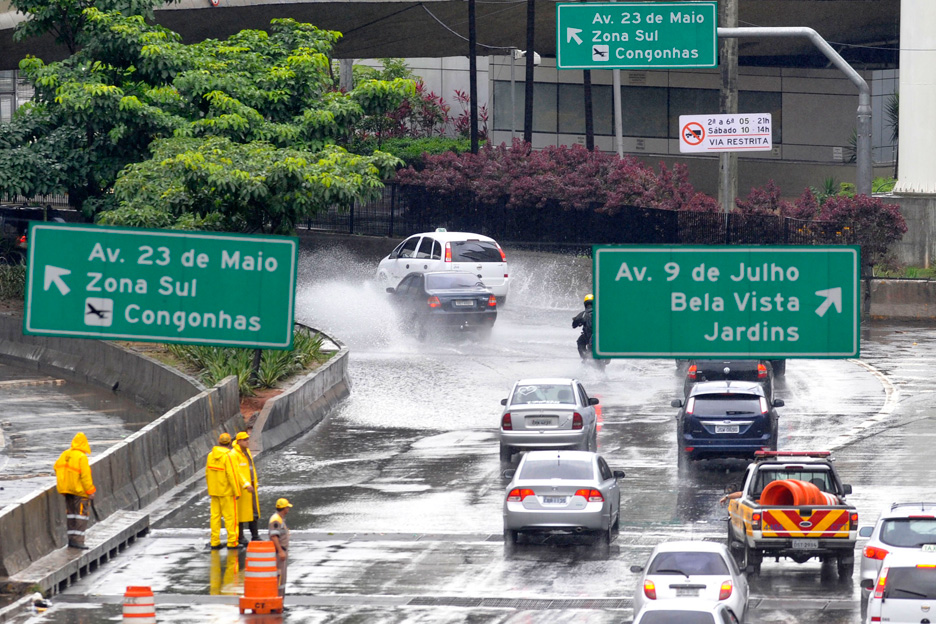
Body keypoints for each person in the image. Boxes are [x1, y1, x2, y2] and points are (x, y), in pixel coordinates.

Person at [54, 432, 96, 549]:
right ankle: (79, 541)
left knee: (71, 515)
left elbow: (56, 467)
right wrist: (90, 491)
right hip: (79, 492)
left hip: (67, 491)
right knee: (81, 516)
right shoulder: (81, 457)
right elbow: (85, 477)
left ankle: (71, 540)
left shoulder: (65, 454)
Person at [206, 432, 242, 549]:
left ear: (219, 442)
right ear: (230, 442)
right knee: (230, 517)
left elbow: (207, 474)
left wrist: (210, 489)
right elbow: (232, 475)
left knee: (215, 517)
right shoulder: (229, 456)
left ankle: (214, 541)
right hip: (227, 492)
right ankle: (232, 541)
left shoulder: (211, 455)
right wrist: (237, 491)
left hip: (214, 491)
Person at [232, 431, 260, 544]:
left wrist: (254, 483)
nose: (247, 441)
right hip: (242, 489)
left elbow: (251, 469)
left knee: (254, 512)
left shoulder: (247, 452)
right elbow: (237, 472)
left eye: (248, 439)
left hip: (251, 487)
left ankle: (255, 536)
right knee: (241, 514)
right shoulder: (234, 455)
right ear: (238, 441)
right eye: (245, 440)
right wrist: (245, 484)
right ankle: (240, 537)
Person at [268, 498, 293, 598]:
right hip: (279, 552)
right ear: (284, 508)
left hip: (282, 551)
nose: (288, 509)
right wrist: (280, 551)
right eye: (287, 507)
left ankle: (280, 601)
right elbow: (274, 536)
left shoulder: (279, 518)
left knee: (282, 578)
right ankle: (277, 601)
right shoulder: (276, 520)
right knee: (279, 577)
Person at [572, 294, 595, 359]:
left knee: (580, 341)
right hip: (600, 337)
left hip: (590, 337)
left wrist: (577, 321)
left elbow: (574, 325)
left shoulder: (583, 313)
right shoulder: (602, 312)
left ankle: (584, 358)